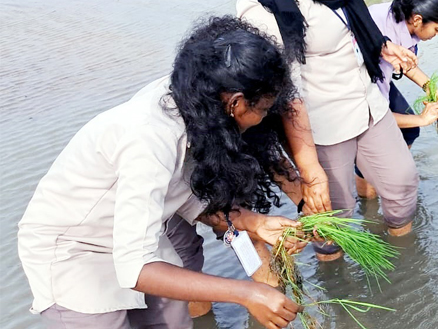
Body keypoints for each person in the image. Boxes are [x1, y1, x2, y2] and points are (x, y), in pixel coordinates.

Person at [17, 17, 306, 328]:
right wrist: (247, 293)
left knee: (173, 321)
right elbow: (136, 267)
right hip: (77, 252)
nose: (262, 119)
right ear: (235, 103)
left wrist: (256, 223)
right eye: (262, 109)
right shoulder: (150, 137)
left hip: (137, 232)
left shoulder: (196, 101)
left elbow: (182, 189)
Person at [237, 0, 420, 258]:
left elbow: (347, 20)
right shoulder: (262, 8)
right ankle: (335, 280)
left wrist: (382, 44)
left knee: (402, 184)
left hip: (366, 101)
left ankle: (409, 262)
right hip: (321, 123)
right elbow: (286, 95)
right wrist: (309, 169)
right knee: (334, 218)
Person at [358, 0, 438, 197]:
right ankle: (369, 199)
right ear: (418, 19)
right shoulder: (375, 25)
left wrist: (429, 86)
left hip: (379, 82)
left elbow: (405, 63)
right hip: (359, 93)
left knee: (409, 130)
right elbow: (369, 113)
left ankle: (389, 170)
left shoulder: (405, 22)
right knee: (367, 152)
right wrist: (422, 119)